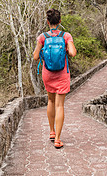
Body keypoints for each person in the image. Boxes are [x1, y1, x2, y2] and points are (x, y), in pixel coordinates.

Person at [33, 9, 76, 149]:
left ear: (48, 22)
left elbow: (35, 57)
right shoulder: (66, 35)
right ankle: (58, 139)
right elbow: (73, 53)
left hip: (48, 73)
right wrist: (67, 49)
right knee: (60, 105)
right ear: (60, 21)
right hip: (62, 74)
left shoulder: (43, 37)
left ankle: (51, 131)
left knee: (50, 101)